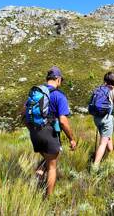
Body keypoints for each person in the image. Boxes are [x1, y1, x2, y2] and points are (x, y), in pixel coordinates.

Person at [25, 66, 76, 196]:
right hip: (49, 133)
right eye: (61, 81)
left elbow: (24, 114)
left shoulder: (36, 93)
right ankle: (48, 198)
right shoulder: (59, 96)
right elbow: (63, 121)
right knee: (52, 166)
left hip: (34, 133)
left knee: (47, 158)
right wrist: (71, 138)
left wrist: (33, 130)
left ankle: (38, 176)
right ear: (58, 79)